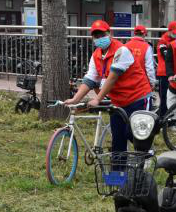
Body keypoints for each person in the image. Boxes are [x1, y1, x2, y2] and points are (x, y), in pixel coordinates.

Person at [65, 20, 152, 153]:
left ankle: (146, 156)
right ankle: (118, 166)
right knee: (118, 138)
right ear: (92, 38)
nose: (99, 38)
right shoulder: (96, 55)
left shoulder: (121, 50)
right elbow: (90, 79)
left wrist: (97, 99)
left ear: (109, 34)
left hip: (138, 97)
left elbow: (112, 78)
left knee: (134, 134)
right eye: (96, 36)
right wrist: (75, 99)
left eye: (102, 35)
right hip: (118, 102)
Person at [156, 21, 176, 116]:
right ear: (169, 31)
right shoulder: (163, 41)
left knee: (174, 98)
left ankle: (172, 117)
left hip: (175, 72)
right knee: (164, 97)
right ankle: (162, 118)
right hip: (164, 73)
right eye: (174, 32)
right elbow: (166, 55)